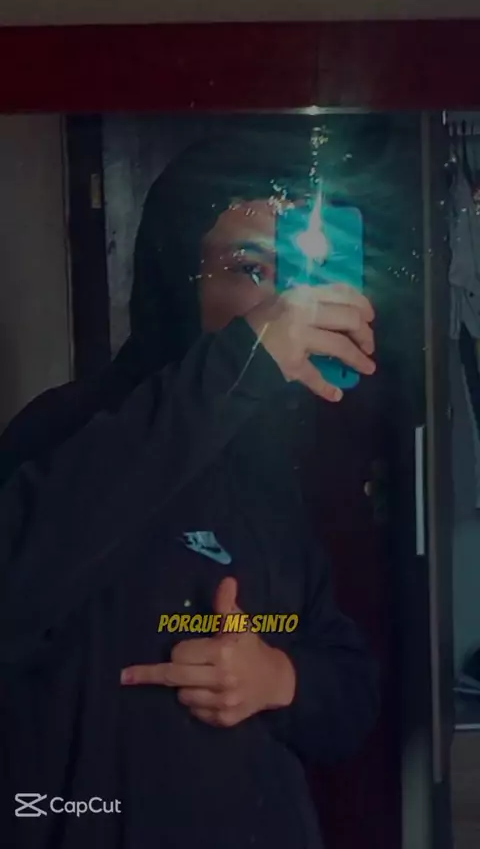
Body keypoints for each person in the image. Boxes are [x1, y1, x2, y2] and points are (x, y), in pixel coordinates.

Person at [0, 131, 379, 849]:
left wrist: (280, 678)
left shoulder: (265, 465)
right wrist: (240, 364)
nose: (281, 302)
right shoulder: (67, 429)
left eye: (293, 273)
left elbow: (351, 696)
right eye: (248, 268)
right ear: (178, 275)